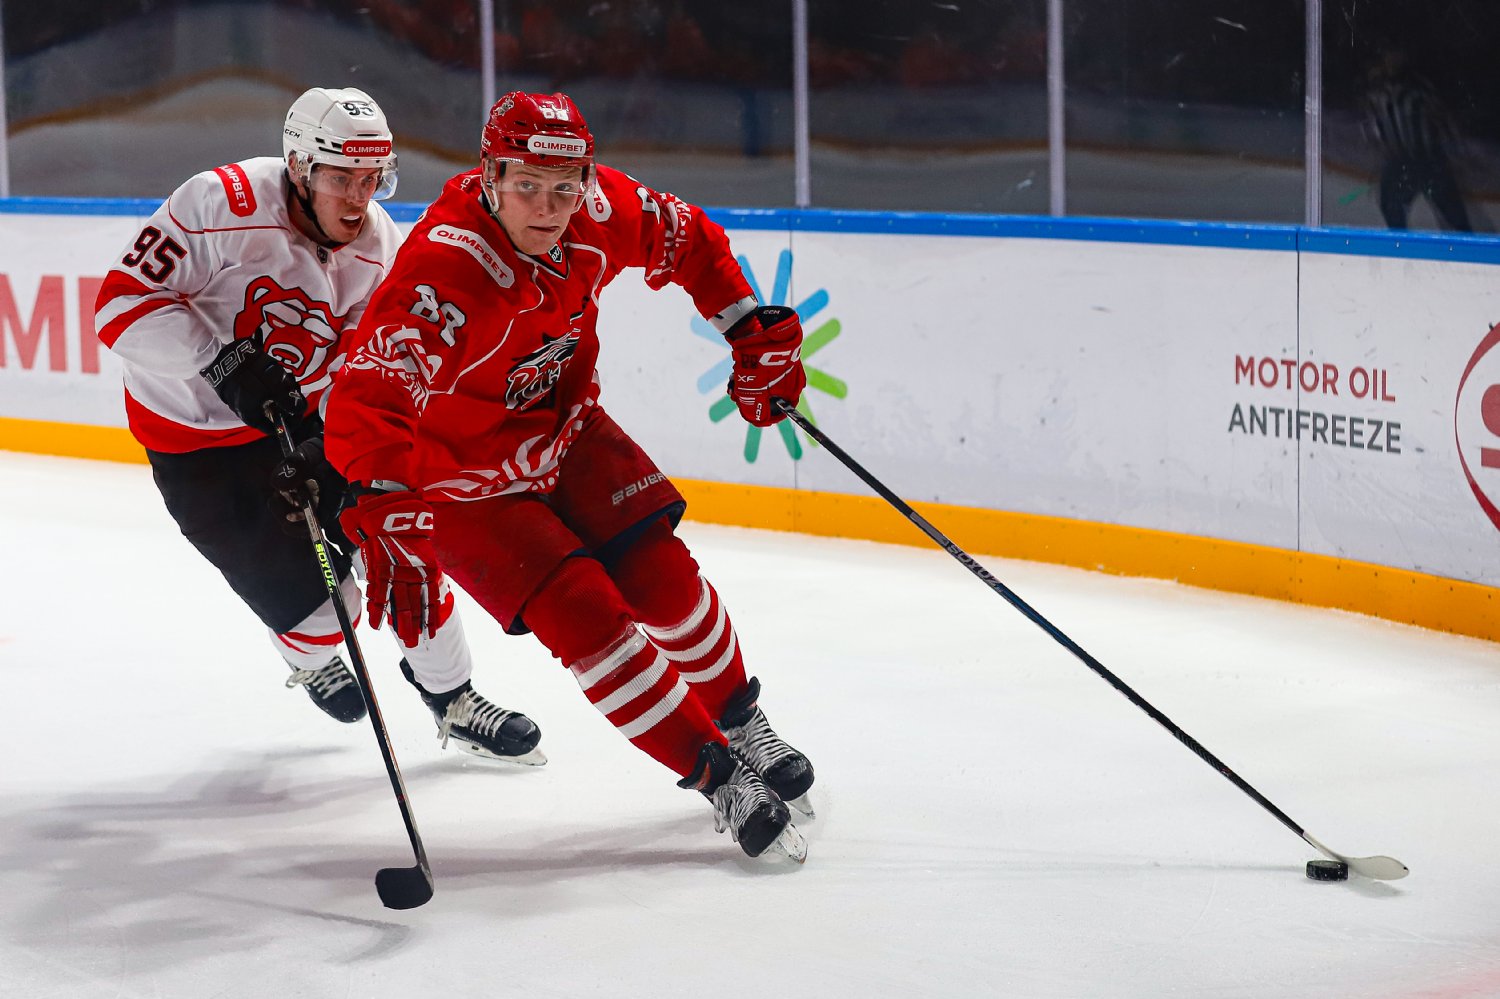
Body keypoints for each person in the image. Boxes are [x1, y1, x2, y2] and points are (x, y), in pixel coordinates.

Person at [317, 91, 815, 860]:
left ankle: (744, 721)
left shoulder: (597, 205)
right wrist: (379, 494)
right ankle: (717, 773)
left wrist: (746, 326)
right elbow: (368, 395)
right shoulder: (448, 268)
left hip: (567, 430)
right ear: (490, 176)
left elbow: (689, 239)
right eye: (526, 187)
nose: (548, 207)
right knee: (588, 616)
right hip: (465, 484)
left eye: (563, 187)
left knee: (665, 580)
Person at [93, 86, 544, 765]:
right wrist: (219, 360)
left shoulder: (381, 248)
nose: (359, 199)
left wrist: (327, 438)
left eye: (373, 178)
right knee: (329, 616)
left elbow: (368, 364)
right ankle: (303, 651)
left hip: (307, 419)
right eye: (343, 178)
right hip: (197, 443)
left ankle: (454, 698)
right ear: (300, 167)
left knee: (398, 542)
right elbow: (119, 307)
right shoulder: (218, 204)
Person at [1362, 50, 1472, 232]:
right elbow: (1375, 125)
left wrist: (1456, 151)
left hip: (1428, 159)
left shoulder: (1419, 88)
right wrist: (1380, 156)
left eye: (1395, 56)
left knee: (1453, 213)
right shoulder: (1378, 91)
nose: (1392, 61)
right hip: (1400, 161)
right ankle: (1400, 243)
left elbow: (1442, 118)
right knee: (1391, 206)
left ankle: (1467, 242)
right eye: (1388, 57)